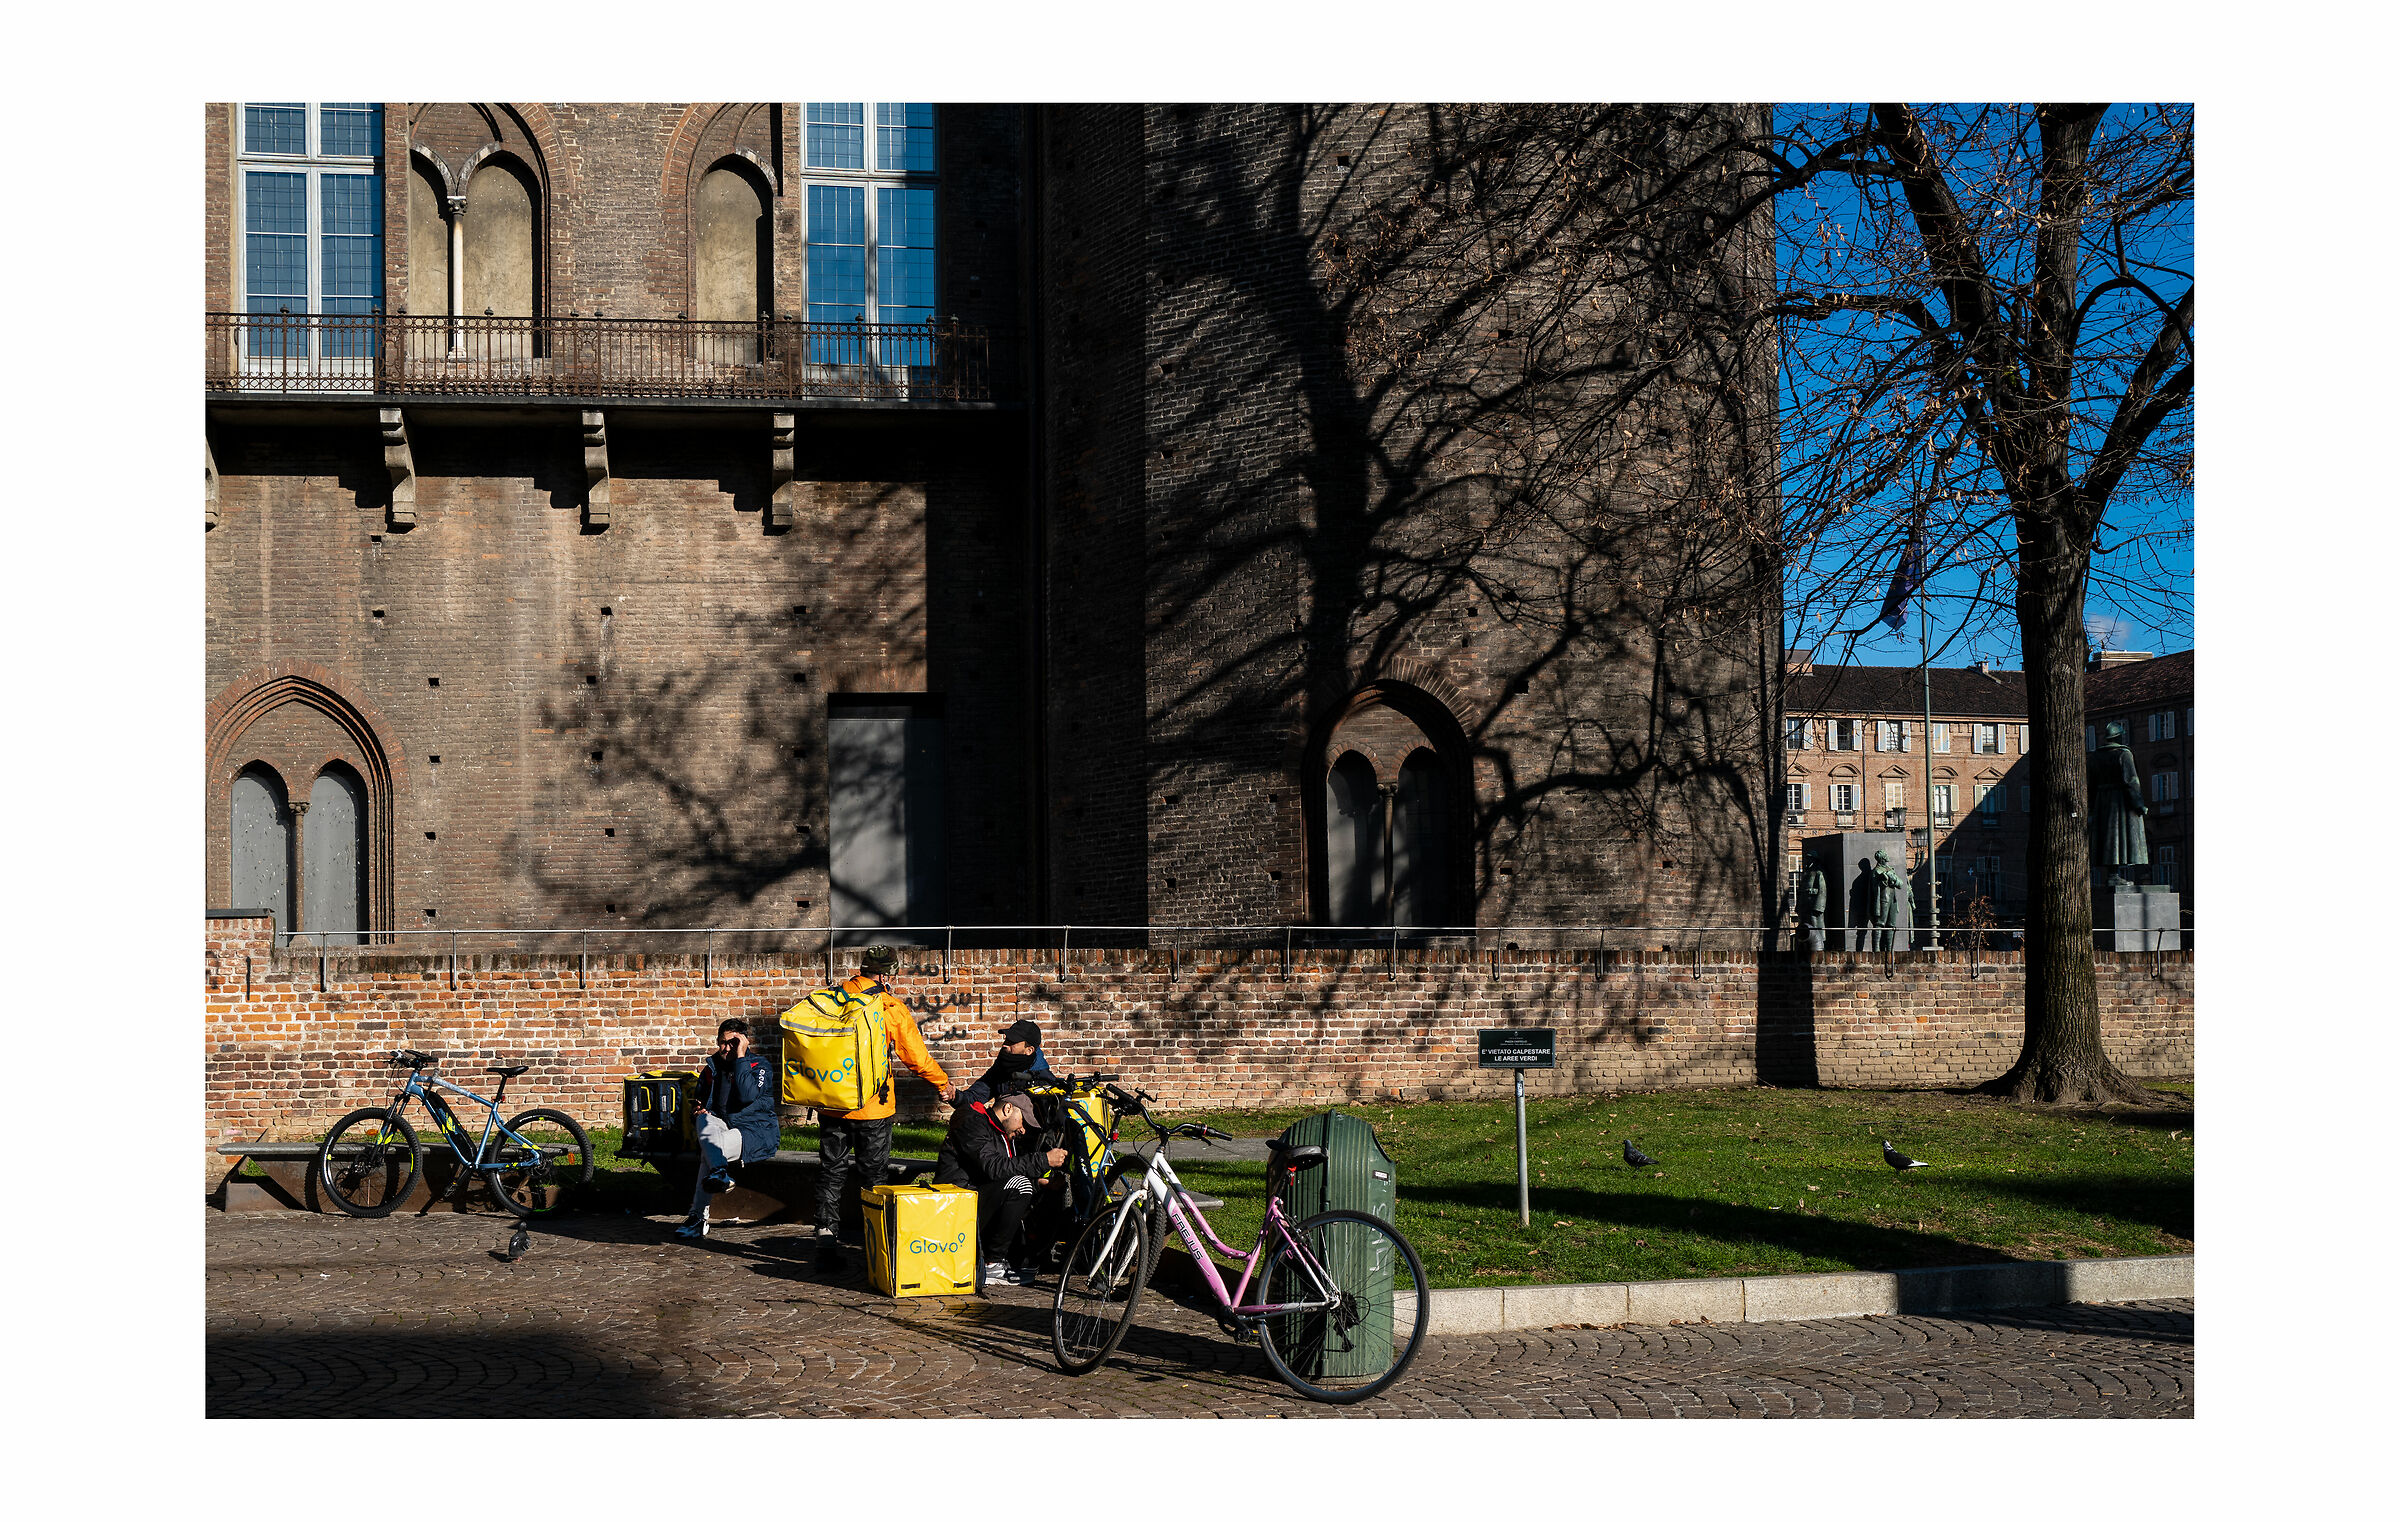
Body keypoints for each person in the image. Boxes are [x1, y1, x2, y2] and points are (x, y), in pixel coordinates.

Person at [813, 945, 957, 1272]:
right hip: (873, 1111)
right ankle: (874, 1247)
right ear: (885, 974)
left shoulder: (832, 999)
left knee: (831, 1172)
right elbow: (916, 1059)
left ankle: (825, 1236)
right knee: (874, 1178)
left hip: (832, 1105)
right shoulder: (888, 1006)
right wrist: (943, 1084)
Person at [934, 1091, 1068, 1288]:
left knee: (1038, 1188)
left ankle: (1026, 1256)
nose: (1023, 1130)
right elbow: (993, 1167)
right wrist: (1043, 1160)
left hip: (974, 1197)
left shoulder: (1001, 1133)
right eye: (1022, 1122)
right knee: (1021, 1185)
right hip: (955, 1204)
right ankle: (991, 1263)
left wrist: (1038, 1183)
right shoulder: (972, 1121)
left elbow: (998, 1176)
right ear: (1008, 1109)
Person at [674, 1018, 778, 1242]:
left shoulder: (759, 1066)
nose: (725, 1048)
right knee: (704, 1121)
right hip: (720, 1127)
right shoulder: (712, 1068)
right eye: (722, 1042)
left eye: (732, 1043)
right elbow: (700, 1101)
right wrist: (698, 1110)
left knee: (708, 1153)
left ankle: (698, 1217)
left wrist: (740, 1058)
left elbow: (747, 1095)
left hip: (754, 1132)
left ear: (743, 1042)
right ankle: (719, 1172)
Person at [956, 1019, 1052, 1107]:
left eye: (1012, 1042)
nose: (1004, 1045)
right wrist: (954, 1096)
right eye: (1006, 1039)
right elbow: (975, 1096)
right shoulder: (1002, 1068)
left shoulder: (1042, 1080)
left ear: (1029, 1050)